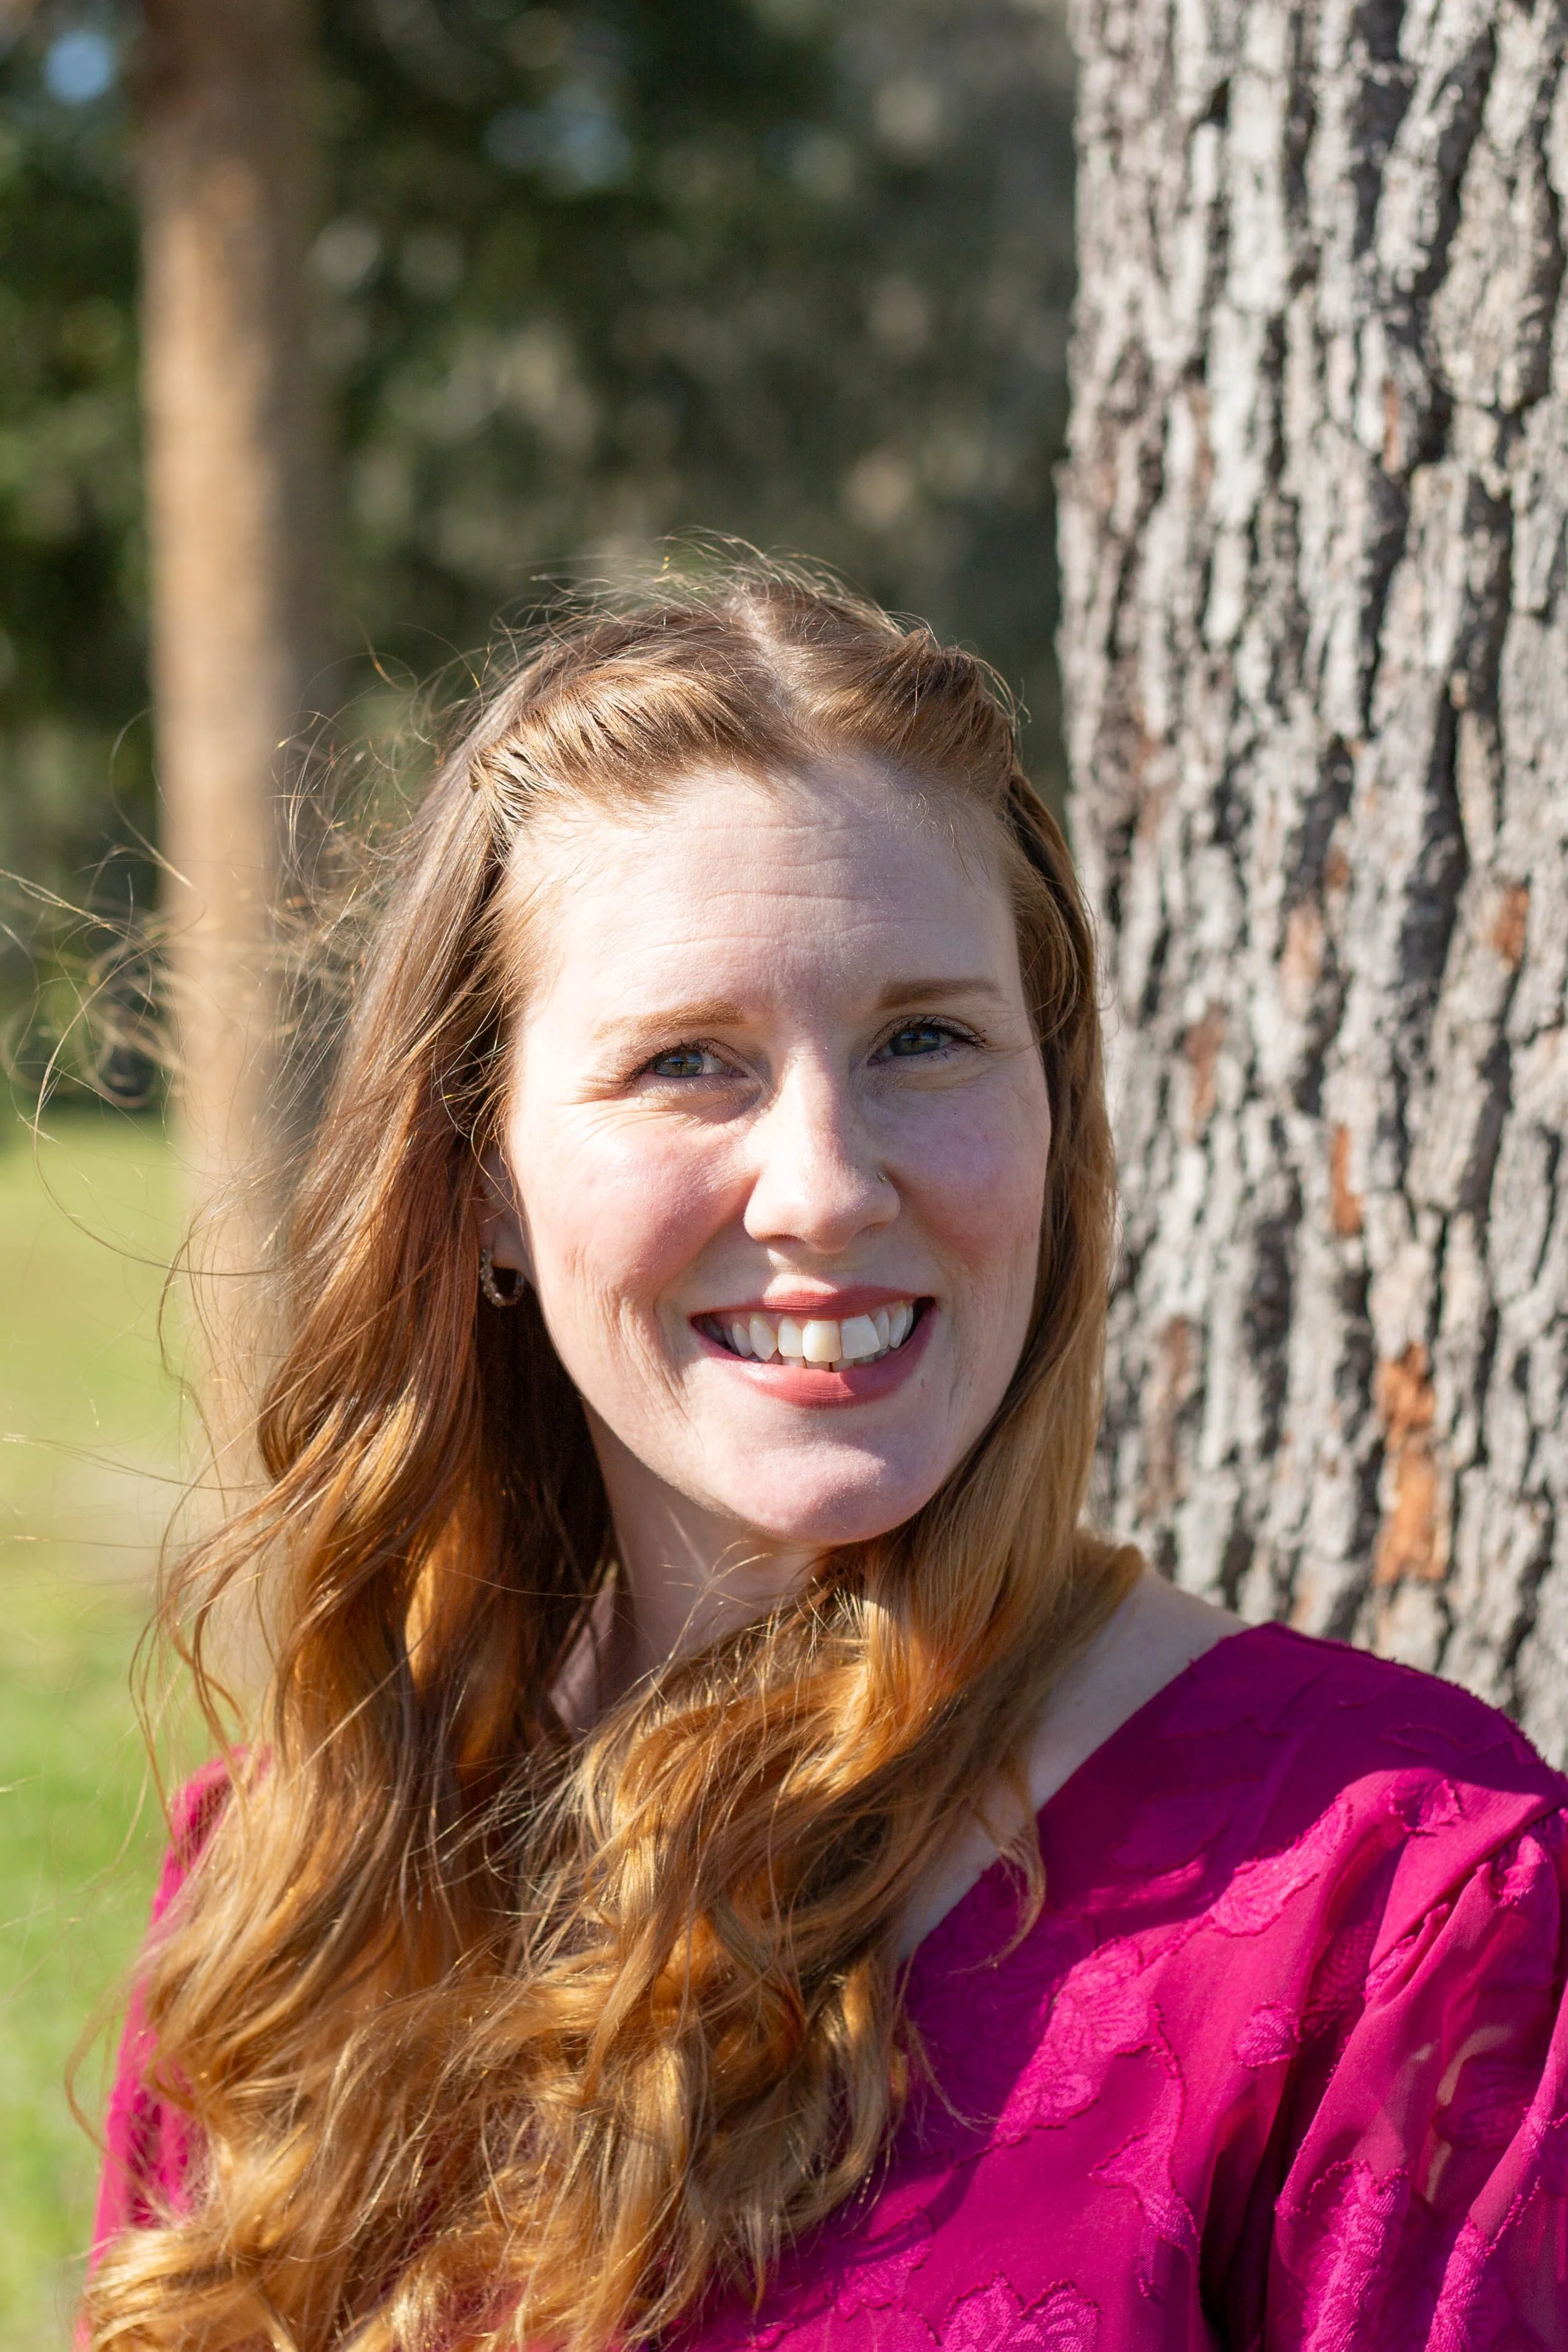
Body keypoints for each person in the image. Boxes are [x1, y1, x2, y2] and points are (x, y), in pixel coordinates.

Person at [85, 568, 1568, 2352]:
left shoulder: (1393, 1903)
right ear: (480, 1179)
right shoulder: (301, 1892)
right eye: (686, 1062)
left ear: (1053, 1114)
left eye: (925, 1040)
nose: (827, 1187)